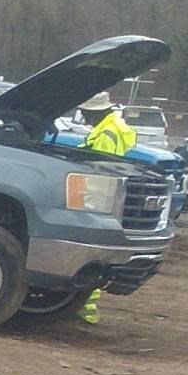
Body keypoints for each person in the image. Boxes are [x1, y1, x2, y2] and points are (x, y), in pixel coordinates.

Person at [74, 95, 139, 322]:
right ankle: (85, 307)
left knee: (91, 251)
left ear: (95, 112)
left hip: (98, 196)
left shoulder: (105, 133)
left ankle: (84, 307)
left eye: (86, 113)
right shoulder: (115, 127)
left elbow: (97, 166)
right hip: (108, 195)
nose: (84, 117)